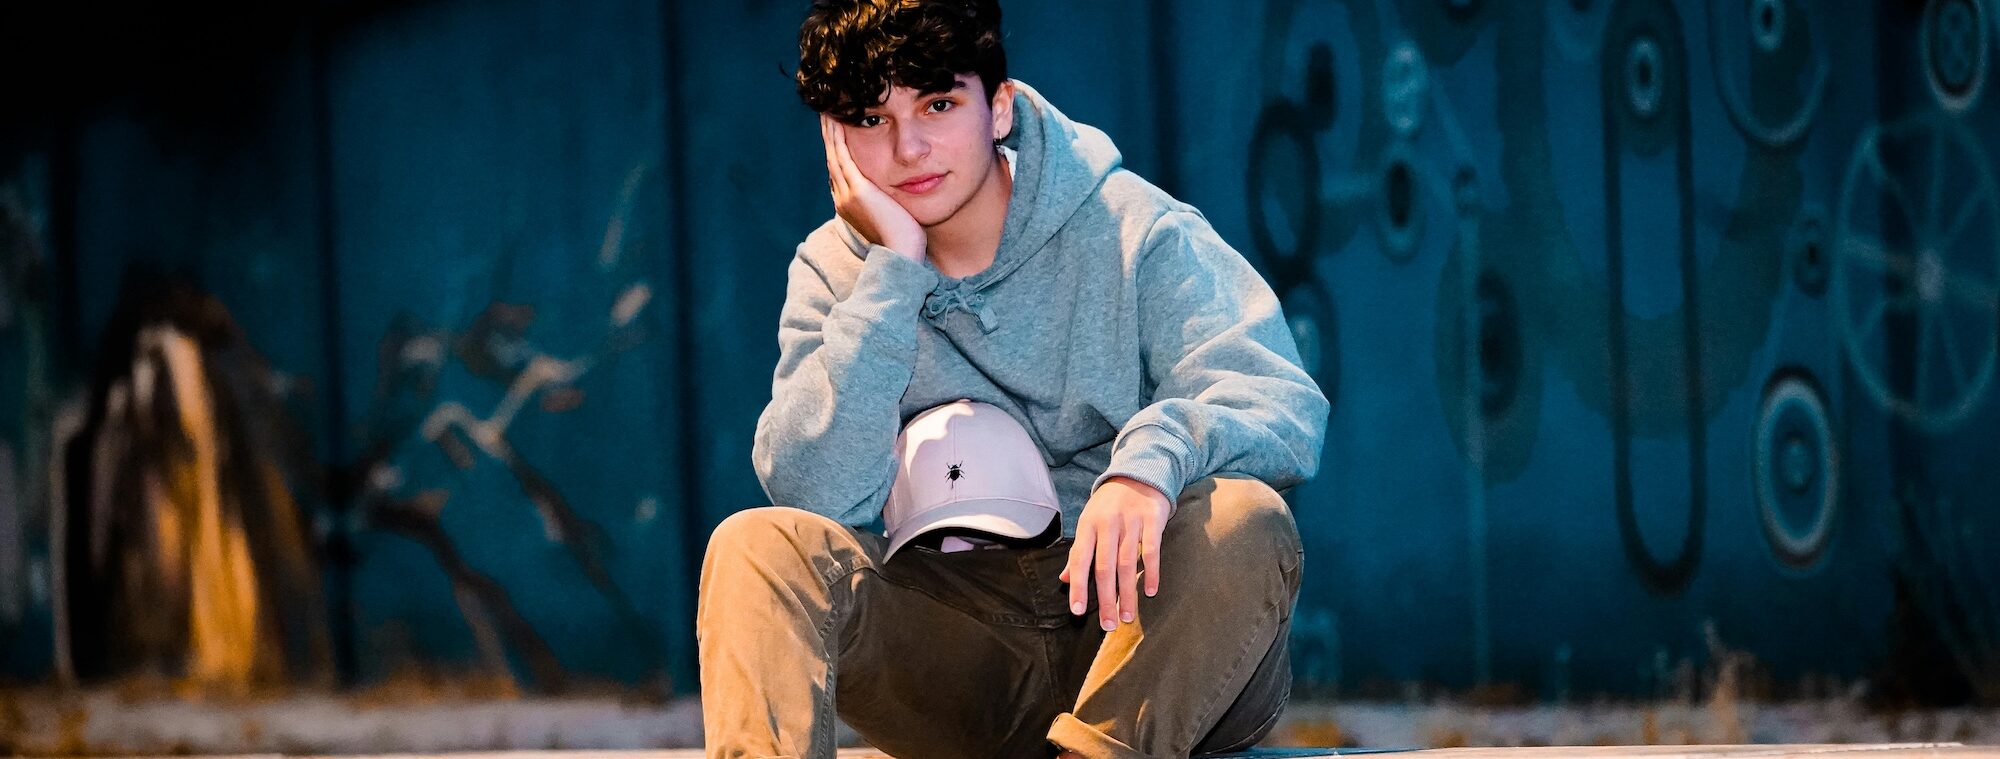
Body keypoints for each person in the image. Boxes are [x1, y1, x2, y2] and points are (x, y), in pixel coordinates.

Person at [697, 0, 1330, 756]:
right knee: (754, 548)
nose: (908, 147)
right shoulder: (837, 272)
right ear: (833, 139)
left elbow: (1282, 402)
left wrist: (1149, 464)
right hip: (964, 651)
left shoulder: (1132, 231)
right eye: (871, 118)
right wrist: (893, 273)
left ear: (998, 107)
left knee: (1243, 517)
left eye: (937, 103)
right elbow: (816, 491)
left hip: (1145, 628)